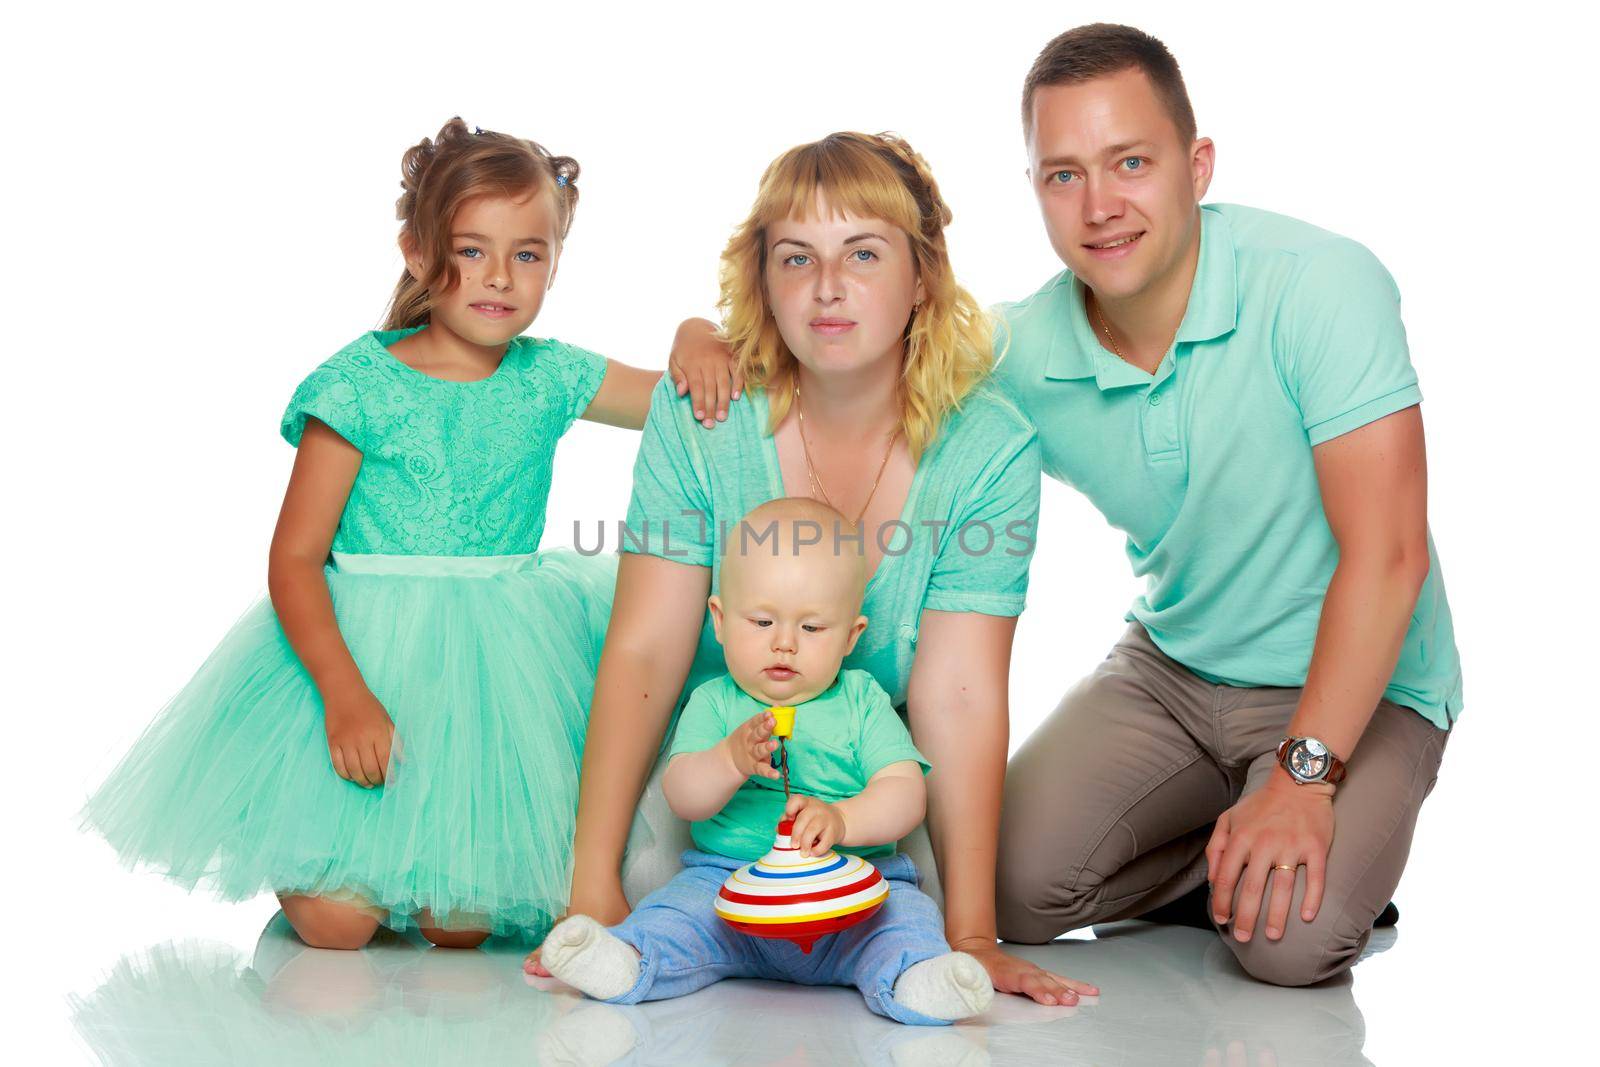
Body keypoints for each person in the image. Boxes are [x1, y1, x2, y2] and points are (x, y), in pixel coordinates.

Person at [80, 118, 734, 950]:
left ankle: (423, 878)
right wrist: (346, 696)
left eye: (528, 254)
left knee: (461, 928)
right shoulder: (359, 385)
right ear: (420, 252)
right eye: (472, 250)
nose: (500, 276)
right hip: (364, 658)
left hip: (495, 667)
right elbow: (294, 559)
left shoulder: (552, 375)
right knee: (338, 928)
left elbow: (681, 400)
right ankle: (334, 874)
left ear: (555, 263)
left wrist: (693, 332)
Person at [531, 131, 1099, 1006]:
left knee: (916, 928)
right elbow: (645, 651)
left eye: (863, 253)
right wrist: (590, 883)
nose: (827, 288)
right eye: (797, 258)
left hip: (865, 788)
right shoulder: (704, 420)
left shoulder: (988, 447)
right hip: (717, 773)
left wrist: (977, 935)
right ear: (764, 281)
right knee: (654, 889)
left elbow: (959, 695)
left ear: (922, 277)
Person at [990, 24, 1463, 986]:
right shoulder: (1015, 348)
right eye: (1063, 175)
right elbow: (855, 366)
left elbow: (1390, 555)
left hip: (1358, 682)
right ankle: (1222, 840)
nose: (1102, 206)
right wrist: (707, 335)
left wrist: (1301, 776)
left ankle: (1288, 819)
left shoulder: (1319, 285)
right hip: (1172, 666)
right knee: (1008, 889)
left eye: (1131, 162)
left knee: (1284, 947)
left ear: (1195, 164)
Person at [543, 498, 995, 1025]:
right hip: (726, 886)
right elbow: (684, 796)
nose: (784, 644)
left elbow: (905, 791)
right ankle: (628, 962)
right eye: (761, 621)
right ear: (719, 619)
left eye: (811, 629)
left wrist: (844, 818)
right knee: (671, 915)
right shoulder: (716, 702)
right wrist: (729, 761)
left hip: (855, 888)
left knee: (907, 918)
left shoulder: (860, 700)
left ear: (852, 635)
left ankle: (917, 979)